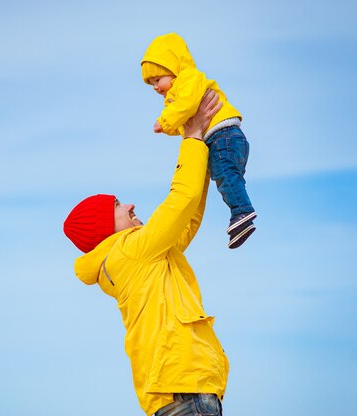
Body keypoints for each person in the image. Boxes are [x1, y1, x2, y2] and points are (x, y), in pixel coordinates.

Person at [63, 90, 228, 416]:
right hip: (185, 394)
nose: (130, 205)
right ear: (103, 228)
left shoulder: (137, 258)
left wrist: (203, 154)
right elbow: (179, 203)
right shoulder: (130, 252)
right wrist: (192, 137)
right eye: (117, 205)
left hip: (179, 396)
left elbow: (185, 219)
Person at [141, 32, 256, 249]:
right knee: (226, 178)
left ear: (173, 69)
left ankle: (242, 212)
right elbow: (186, 124)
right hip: (223, 140)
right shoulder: (174, 98)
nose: (155, 87)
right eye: (151, 84)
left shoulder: (189, 79)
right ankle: (239, 217)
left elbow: (187, 104)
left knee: (225, 175)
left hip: (224, 135)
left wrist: (165, 121)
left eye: (157, 80)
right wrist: (170, 127)